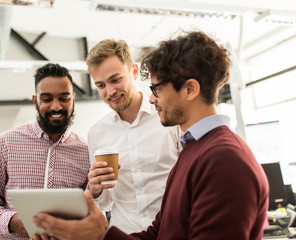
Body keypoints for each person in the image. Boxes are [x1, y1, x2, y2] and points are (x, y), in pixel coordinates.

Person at [32, 31, 269, 240]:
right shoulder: (194, 149)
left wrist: (99, 235)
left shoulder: (225, 160)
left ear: (190, 89)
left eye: (157, 89)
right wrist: (97, 232)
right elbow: (160, 231)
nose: (152, 98)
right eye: (101, 85)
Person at [0, 63, 90, 240]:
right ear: (36, 101)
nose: (56, 106)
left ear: (73, 99)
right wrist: (12, 221)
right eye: (47, 99)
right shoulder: (6, 143)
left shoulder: (86, 151)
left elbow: (93, 212)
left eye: (64, 98)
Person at [85, 39, 181, 233]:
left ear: (134, 71)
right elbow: (105, 204)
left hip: (172, 231)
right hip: (125, 234)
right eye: (101, 85)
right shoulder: (97, 133)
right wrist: (95, 190)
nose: (110, 91)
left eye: (115, 80)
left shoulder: (169, 119)